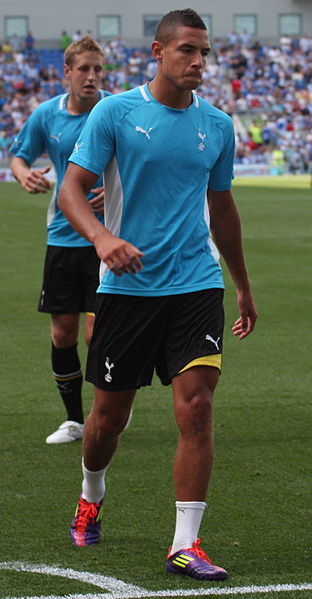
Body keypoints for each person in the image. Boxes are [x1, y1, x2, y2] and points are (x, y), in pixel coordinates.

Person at [59, 9, 257, 580]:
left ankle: (185, 544)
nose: (199, 62)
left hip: (197, 282)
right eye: (187, 51)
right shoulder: (116, 113)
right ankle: (91, 493)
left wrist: (242, 285)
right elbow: (74, 188)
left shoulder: (218, 125)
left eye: (205, 53)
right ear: (158, 51)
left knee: (196, 407)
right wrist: (102, 238)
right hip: (127, 288)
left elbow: (222, 208)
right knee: (107, 419)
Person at [10, 36, 110, 444]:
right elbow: (19, 155)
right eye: (83, 69)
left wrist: (122, 191)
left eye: (98, 69)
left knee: (97, 335)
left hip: (107, 238)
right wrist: (23, 174)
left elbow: (143, 162)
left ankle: (109, 412)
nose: (91, 76)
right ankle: (75, 421)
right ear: (67, 72)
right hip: (63, 239)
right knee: (62, 334)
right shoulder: (46, 115)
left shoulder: (116, 110)